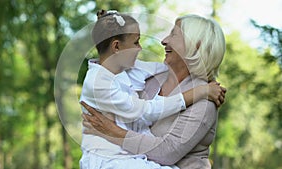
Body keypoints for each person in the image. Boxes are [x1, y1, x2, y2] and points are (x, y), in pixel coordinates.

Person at [80, 10, 225, 169]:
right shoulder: (150, 79)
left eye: (174, 35)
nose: (163, 41)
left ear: (196, 45)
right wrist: (109, 24)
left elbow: (166, 152)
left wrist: (112, 131)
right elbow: (113, 61)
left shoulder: (206, 100)